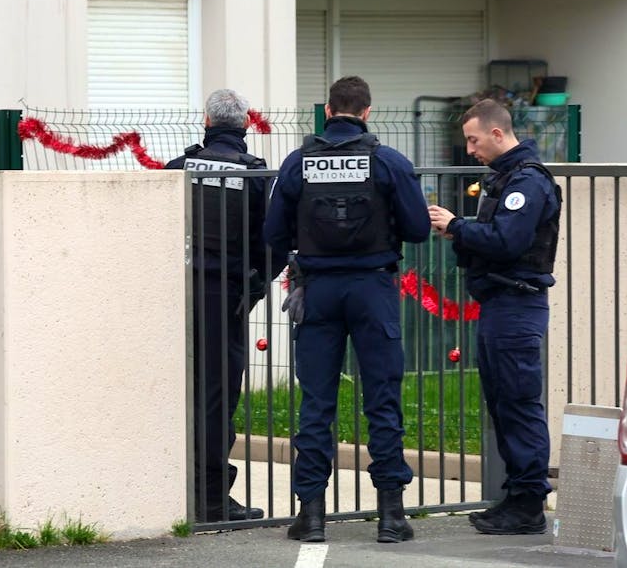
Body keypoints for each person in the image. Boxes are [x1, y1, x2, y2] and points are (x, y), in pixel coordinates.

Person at [263, 76, 430, 543]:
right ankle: (391, 516)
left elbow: (273, 232)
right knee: (382, 399)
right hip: (373, 289)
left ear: (328, 111)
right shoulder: (388, 162)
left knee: (317, 403)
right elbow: (418, 229)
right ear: (367, 112)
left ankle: (312, 515)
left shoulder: (298, 163)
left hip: (318, 291)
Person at [427, 98, 562, 535]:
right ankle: (517, 496)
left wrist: (456, 226)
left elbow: (507, 241)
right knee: (503, 403)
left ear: (498, 134)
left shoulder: (528, 182)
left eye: (474, 140)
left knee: (518, 404)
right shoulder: (506, 178)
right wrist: (461, 231)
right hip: (500, 304)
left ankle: (529, 504)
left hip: (516, 304)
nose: (470, 150)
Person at [165, 88, 282, 523]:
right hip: (225, 297)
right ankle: (211, 499)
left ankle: (171, 490)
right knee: (216, 397)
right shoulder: (254, 175)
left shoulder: (178, 169)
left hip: (175, 296)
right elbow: (272, 242)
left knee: (176, 391)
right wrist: (252, 290)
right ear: (246, 124)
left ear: (206, 121)